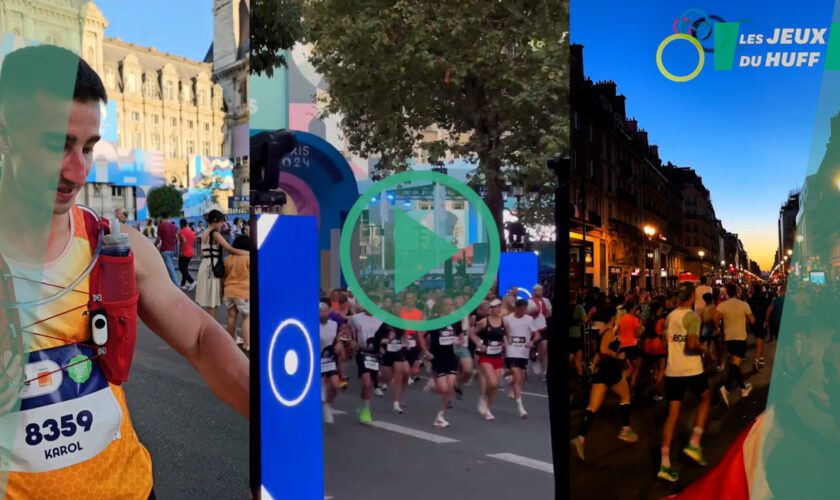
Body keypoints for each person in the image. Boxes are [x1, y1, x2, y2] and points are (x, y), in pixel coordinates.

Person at [0, 45, 248, 497]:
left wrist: (280, 436)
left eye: (89, 147)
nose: (78, 172)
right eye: (58, 145)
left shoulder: (114, 248)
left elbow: (198, 338)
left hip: (132, 488)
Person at [658, 282, 713, 482]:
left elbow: (665, 343)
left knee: (672, 415)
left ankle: (664, 464)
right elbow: (691, 345)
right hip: (691, 369)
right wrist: (705, 350)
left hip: (672, 371)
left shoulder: (670, 316)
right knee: (706, 398)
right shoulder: (692, 317)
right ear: (692, 298)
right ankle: (694, 444)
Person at [570, 302, 638, 463]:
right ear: (612, 317)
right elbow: (603, 350)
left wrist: (593, 366)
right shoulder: (608, 331)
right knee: (625, 397)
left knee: (592, 407)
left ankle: (580, 438)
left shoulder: (604, 330)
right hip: (612, 370)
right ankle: (625, 429)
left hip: (602, 372)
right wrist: (618, 356)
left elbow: (599, 354)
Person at [196, 210, 248, 318]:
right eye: (221, 222)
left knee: (208, 301)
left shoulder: (204, 233)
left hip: (205, 265)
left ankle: (209, 327)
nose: (222, 225)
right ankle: (212, 329)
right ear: (215, 221)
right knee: (212, 303)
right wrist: (247, 253)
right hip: (213, 267)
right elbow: (229, 248)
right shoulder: (215, 234)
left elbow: (202, 253)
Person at [426, 297, 464, 427]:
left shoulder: (455, 320)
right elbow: (421, 334)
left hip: (451, 357)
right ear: (441, 306)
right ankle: (433, 385)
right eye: (446, 305)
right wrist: (425, 351)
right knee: (444, 389)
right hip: (438, 358)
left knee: (450, 388)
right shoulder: (433, 321)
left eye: (450, 305)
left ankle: (440, 416)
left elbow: (460, 336)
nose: (449, 307)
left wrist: (459, 342)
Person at [717, 283, 755, 406]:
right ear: (737, 291)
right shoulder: (744, 304)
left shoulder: (722, 305)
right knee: (735, 364)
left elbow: (714, 318)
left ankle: (743, 388)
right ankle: (727, 388)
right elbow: (752, 320)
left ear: (727, 292)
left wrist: (719, 327)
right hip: (740, 337)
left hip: (729, 338)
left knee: (735, 363)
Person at [470, 299, 507, 420]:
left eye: (500, 306)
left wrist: (505, 344)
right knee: (493, 382)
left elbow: (508, 336)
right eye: (496, 307)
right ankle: (483, 398)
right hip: (486, 356)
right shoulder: (484, 322)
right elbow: (472, 333)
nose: (498, 309)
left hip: (497, 356)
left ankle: (487, 408)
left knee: (495, 386)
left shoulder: (504, 322)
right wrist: (479, 344)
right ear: (491, 309)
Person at [348, 302, 385, 423]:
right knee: (366, 381)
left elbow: (387, 335)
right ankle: (366, 409)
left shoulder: (381, 319)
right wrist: (351, 341)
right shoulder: (356, 318)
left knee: (372, 381)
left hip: (375, 354)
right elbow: (347, 329)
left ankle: (363, 404)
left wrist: (384, 342)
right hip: (361, 352)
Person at [504, 299, 540, 418]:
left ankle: (509, 380)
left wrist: (532, 341)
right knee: (518, 378)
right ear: (517, 308)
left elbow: (537, 334)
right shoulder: (508, 319)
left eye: (526, 309)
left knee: (520, 378)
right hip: (511, 351)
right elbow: (503, 333)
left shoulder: (529, 319)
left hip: (524, 353)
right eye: (522, 309)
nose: (524, 311)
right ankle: (521, 409)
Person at [223, 235, 250, 351]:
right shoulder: (248, 258)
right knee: (247, 317)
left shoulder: (228, 259)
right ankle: (247, 344)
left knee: (231, 315)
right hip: (243, 292)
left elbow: (224, 276)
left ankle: (231, 340)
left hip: (228, 291)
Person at [319, 302, 343, 424]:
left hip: (329, 359)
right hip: (316, 359)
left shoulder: (333, 324)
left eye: (325, 311)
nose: (323, 314)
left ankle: (327, 404)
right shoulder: (313, 325)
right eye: (320, 312)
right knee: (319, 388)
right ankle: (322, 405)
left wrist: (338, 344)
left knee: (334, 386)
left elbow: (336, 338)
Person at [529, 284, 552, 379]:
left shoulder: (546, 301)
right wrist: (533, 312)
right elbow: (527, 314)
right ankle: (534, 361)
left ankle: (545, 370)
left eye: (540, 290)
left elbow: (550, 313)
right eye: (537, 290)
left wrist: (544, 316)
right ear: (534, 291)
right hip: (533, 328)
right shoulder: (530, 302)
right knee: (534, 347)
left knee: (544, 348)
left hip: (543, 327)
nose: (539, 292)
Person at [748, 284, 769, 370]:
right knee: (760, 341)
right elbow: (767, 311)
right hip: (761, 322)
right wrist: (766, 321)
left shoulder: (750, 300)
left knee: (760, 339)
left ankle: (761, 358)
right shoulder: (763, 299)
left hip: (753, 323)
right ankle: (756, 360)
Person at [155, 217, 179, 286]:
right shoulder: (174, 226)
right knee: (170, 268)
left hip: (165, 249)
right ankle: (171, 285)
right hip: (172, 249)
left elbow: (159, 239)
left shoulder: (161, 226)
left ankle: (176, 286)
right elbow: (177, 238)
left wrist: (154, 245)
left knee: (170, 269)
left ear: (162, 219)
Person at [178, 218, 196, 291]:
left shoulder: (182, 232)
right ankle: (183, 284)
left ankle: (192, 281)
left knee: (181, 268)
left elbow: (184, 241)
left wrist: (181, 250)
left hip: (184, 252)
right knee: (185, 268)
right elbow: (193, 241)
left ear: (181, 224)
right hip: (190, 252)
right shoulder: (192, 232)